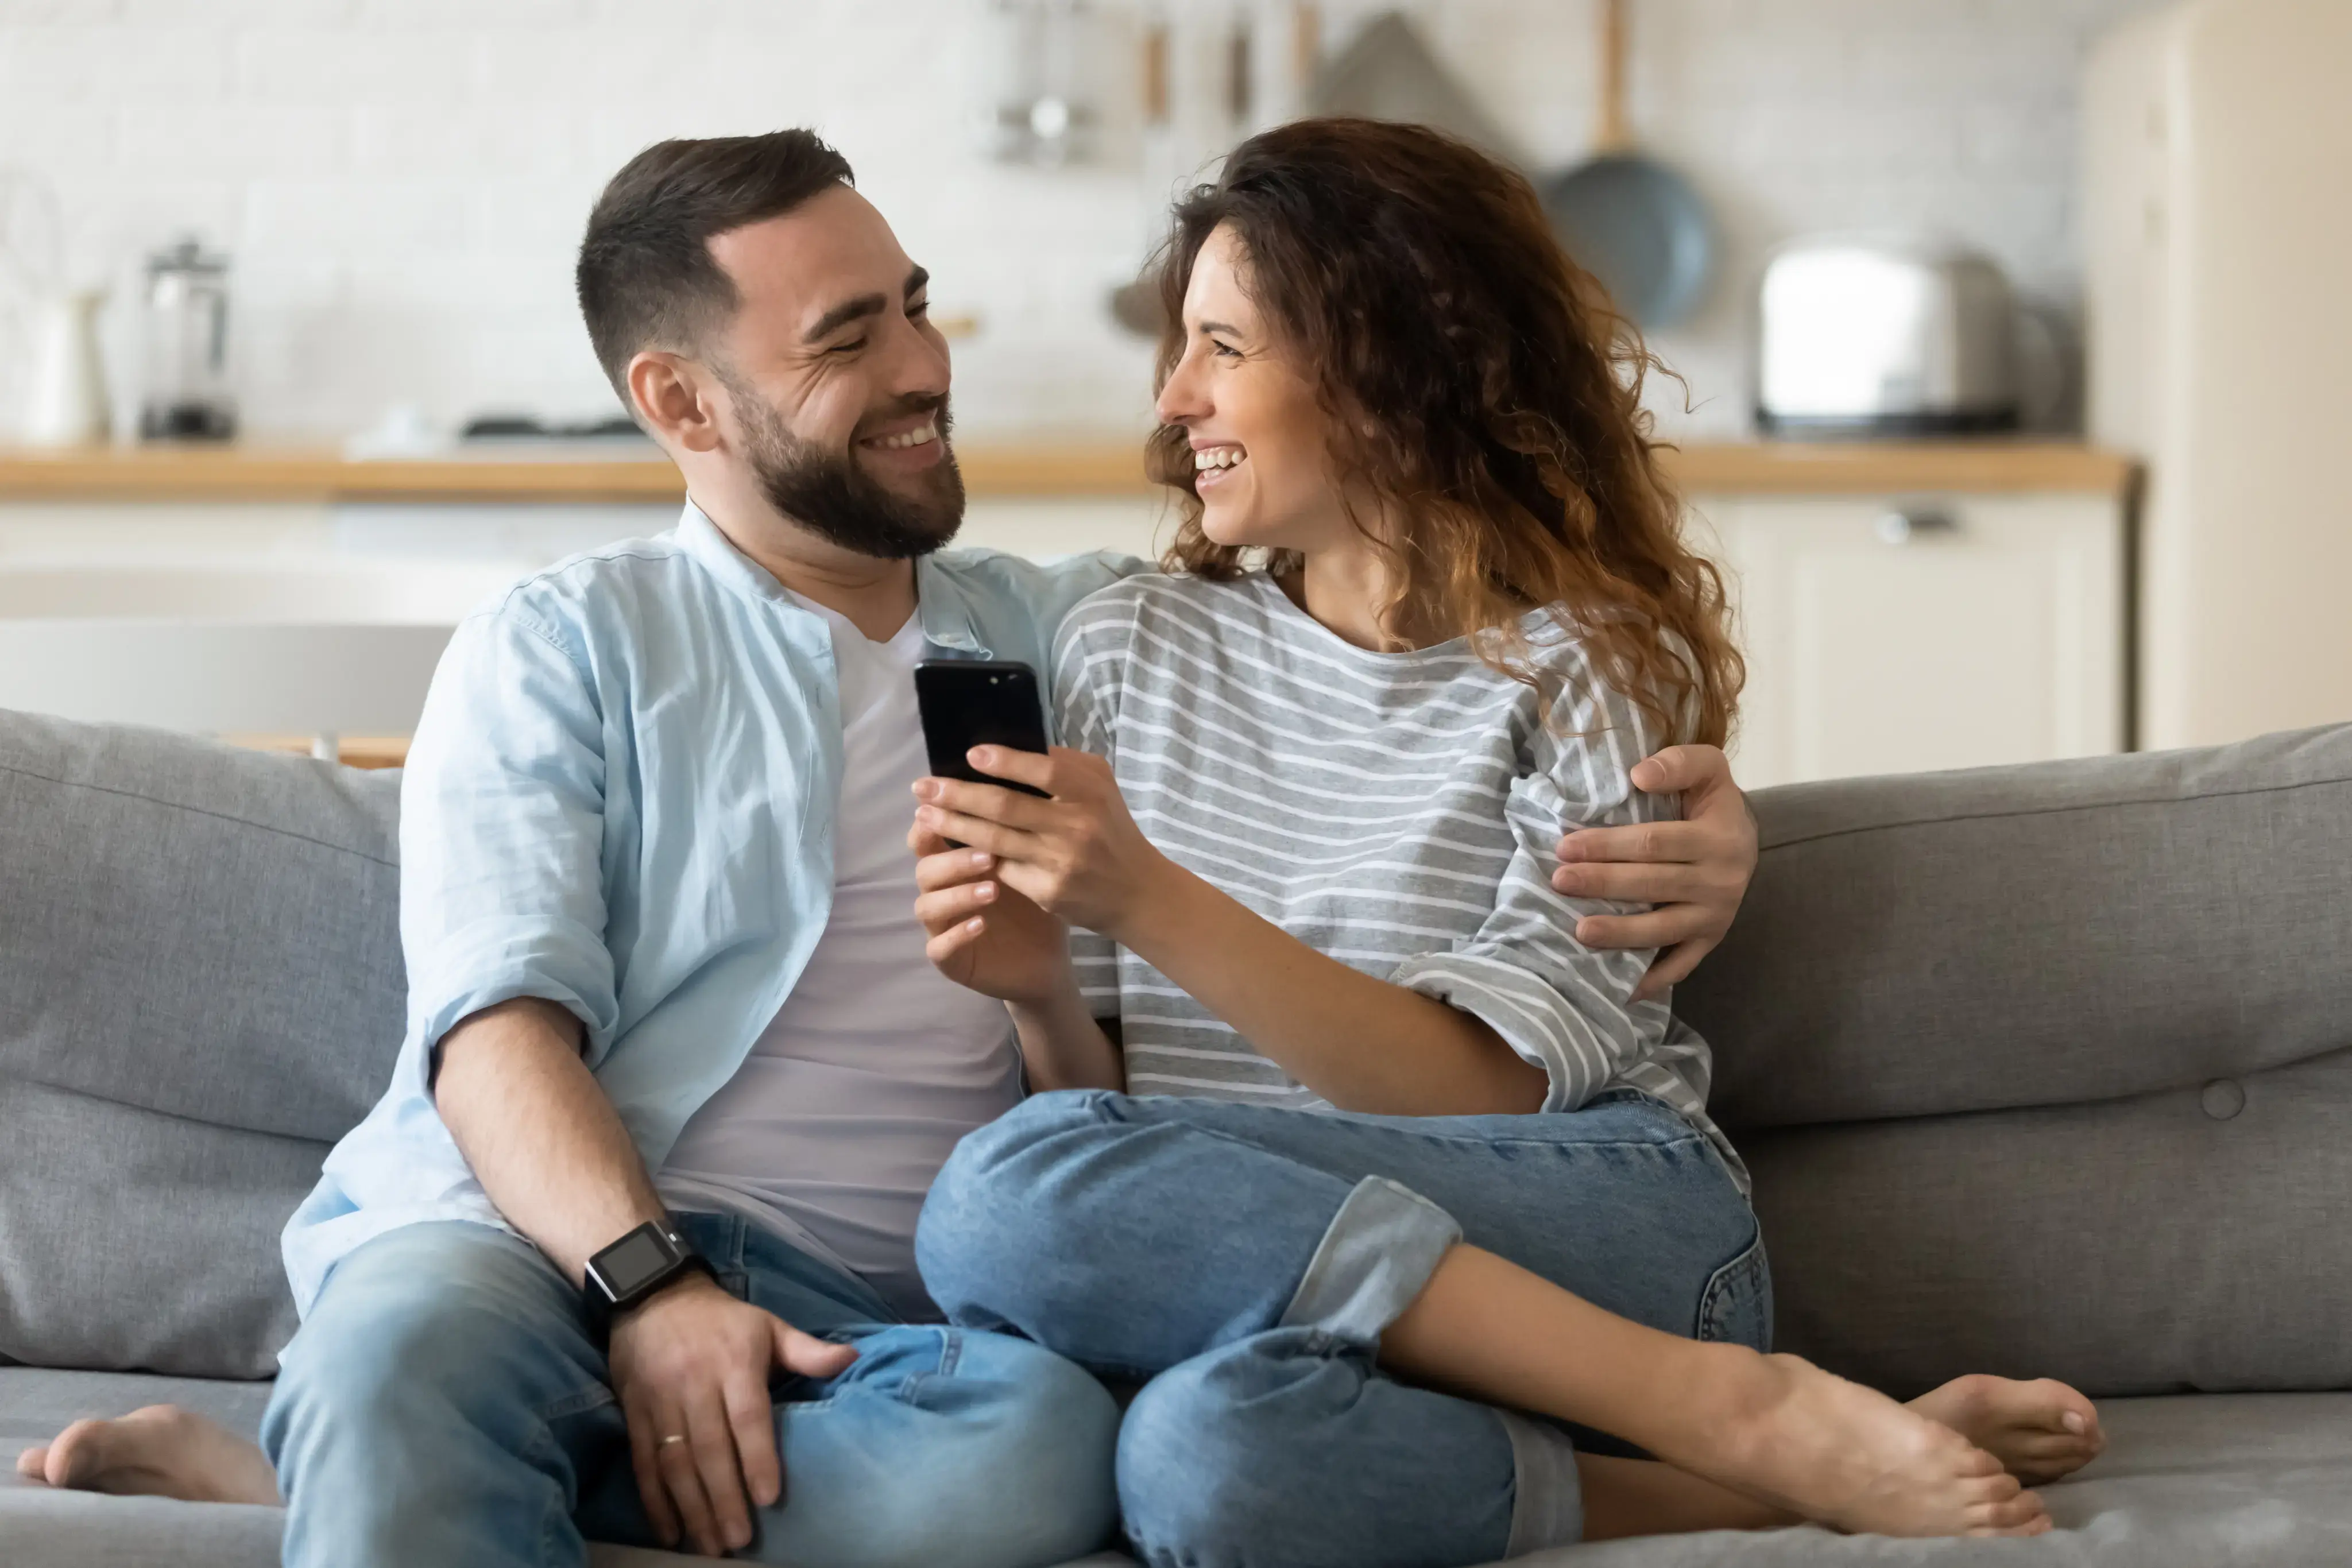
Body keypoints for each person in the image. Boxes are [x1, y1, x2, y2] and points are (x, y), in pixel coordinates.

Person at [12, 130, 1761, 1567]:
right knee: (405, 1358)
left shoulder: (1068, 636)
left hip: (901, 1329)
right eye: (847, 341)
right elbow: (494, 1038)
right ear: (685, 403)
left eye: (915, 307)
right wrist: (653, 1290)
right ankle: (404, 1448)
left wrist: (1714, 822)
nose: (924, 370)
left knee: (1034, 1459)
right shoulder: (565, 644)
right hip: (542, 1254)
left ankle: (392, 1483)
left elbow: (1392, 639)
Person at [898, 118, 2106, 1566]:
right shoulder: (1127, 649)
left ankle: (1721, 1397)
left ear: (1386, 364)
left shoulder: (1586, 669)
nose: (1173, 399)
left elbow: (1486, 1093)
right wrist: (1040, 987)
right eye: (1180, 348)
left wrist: (1148, 901)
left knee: (1000, 1194)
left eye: (1222, 346)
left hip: (1602, 1234)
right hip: (1293, 1300)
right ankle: (1779, 1471)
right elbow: (1115, 1119)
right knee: (1197, 1460)